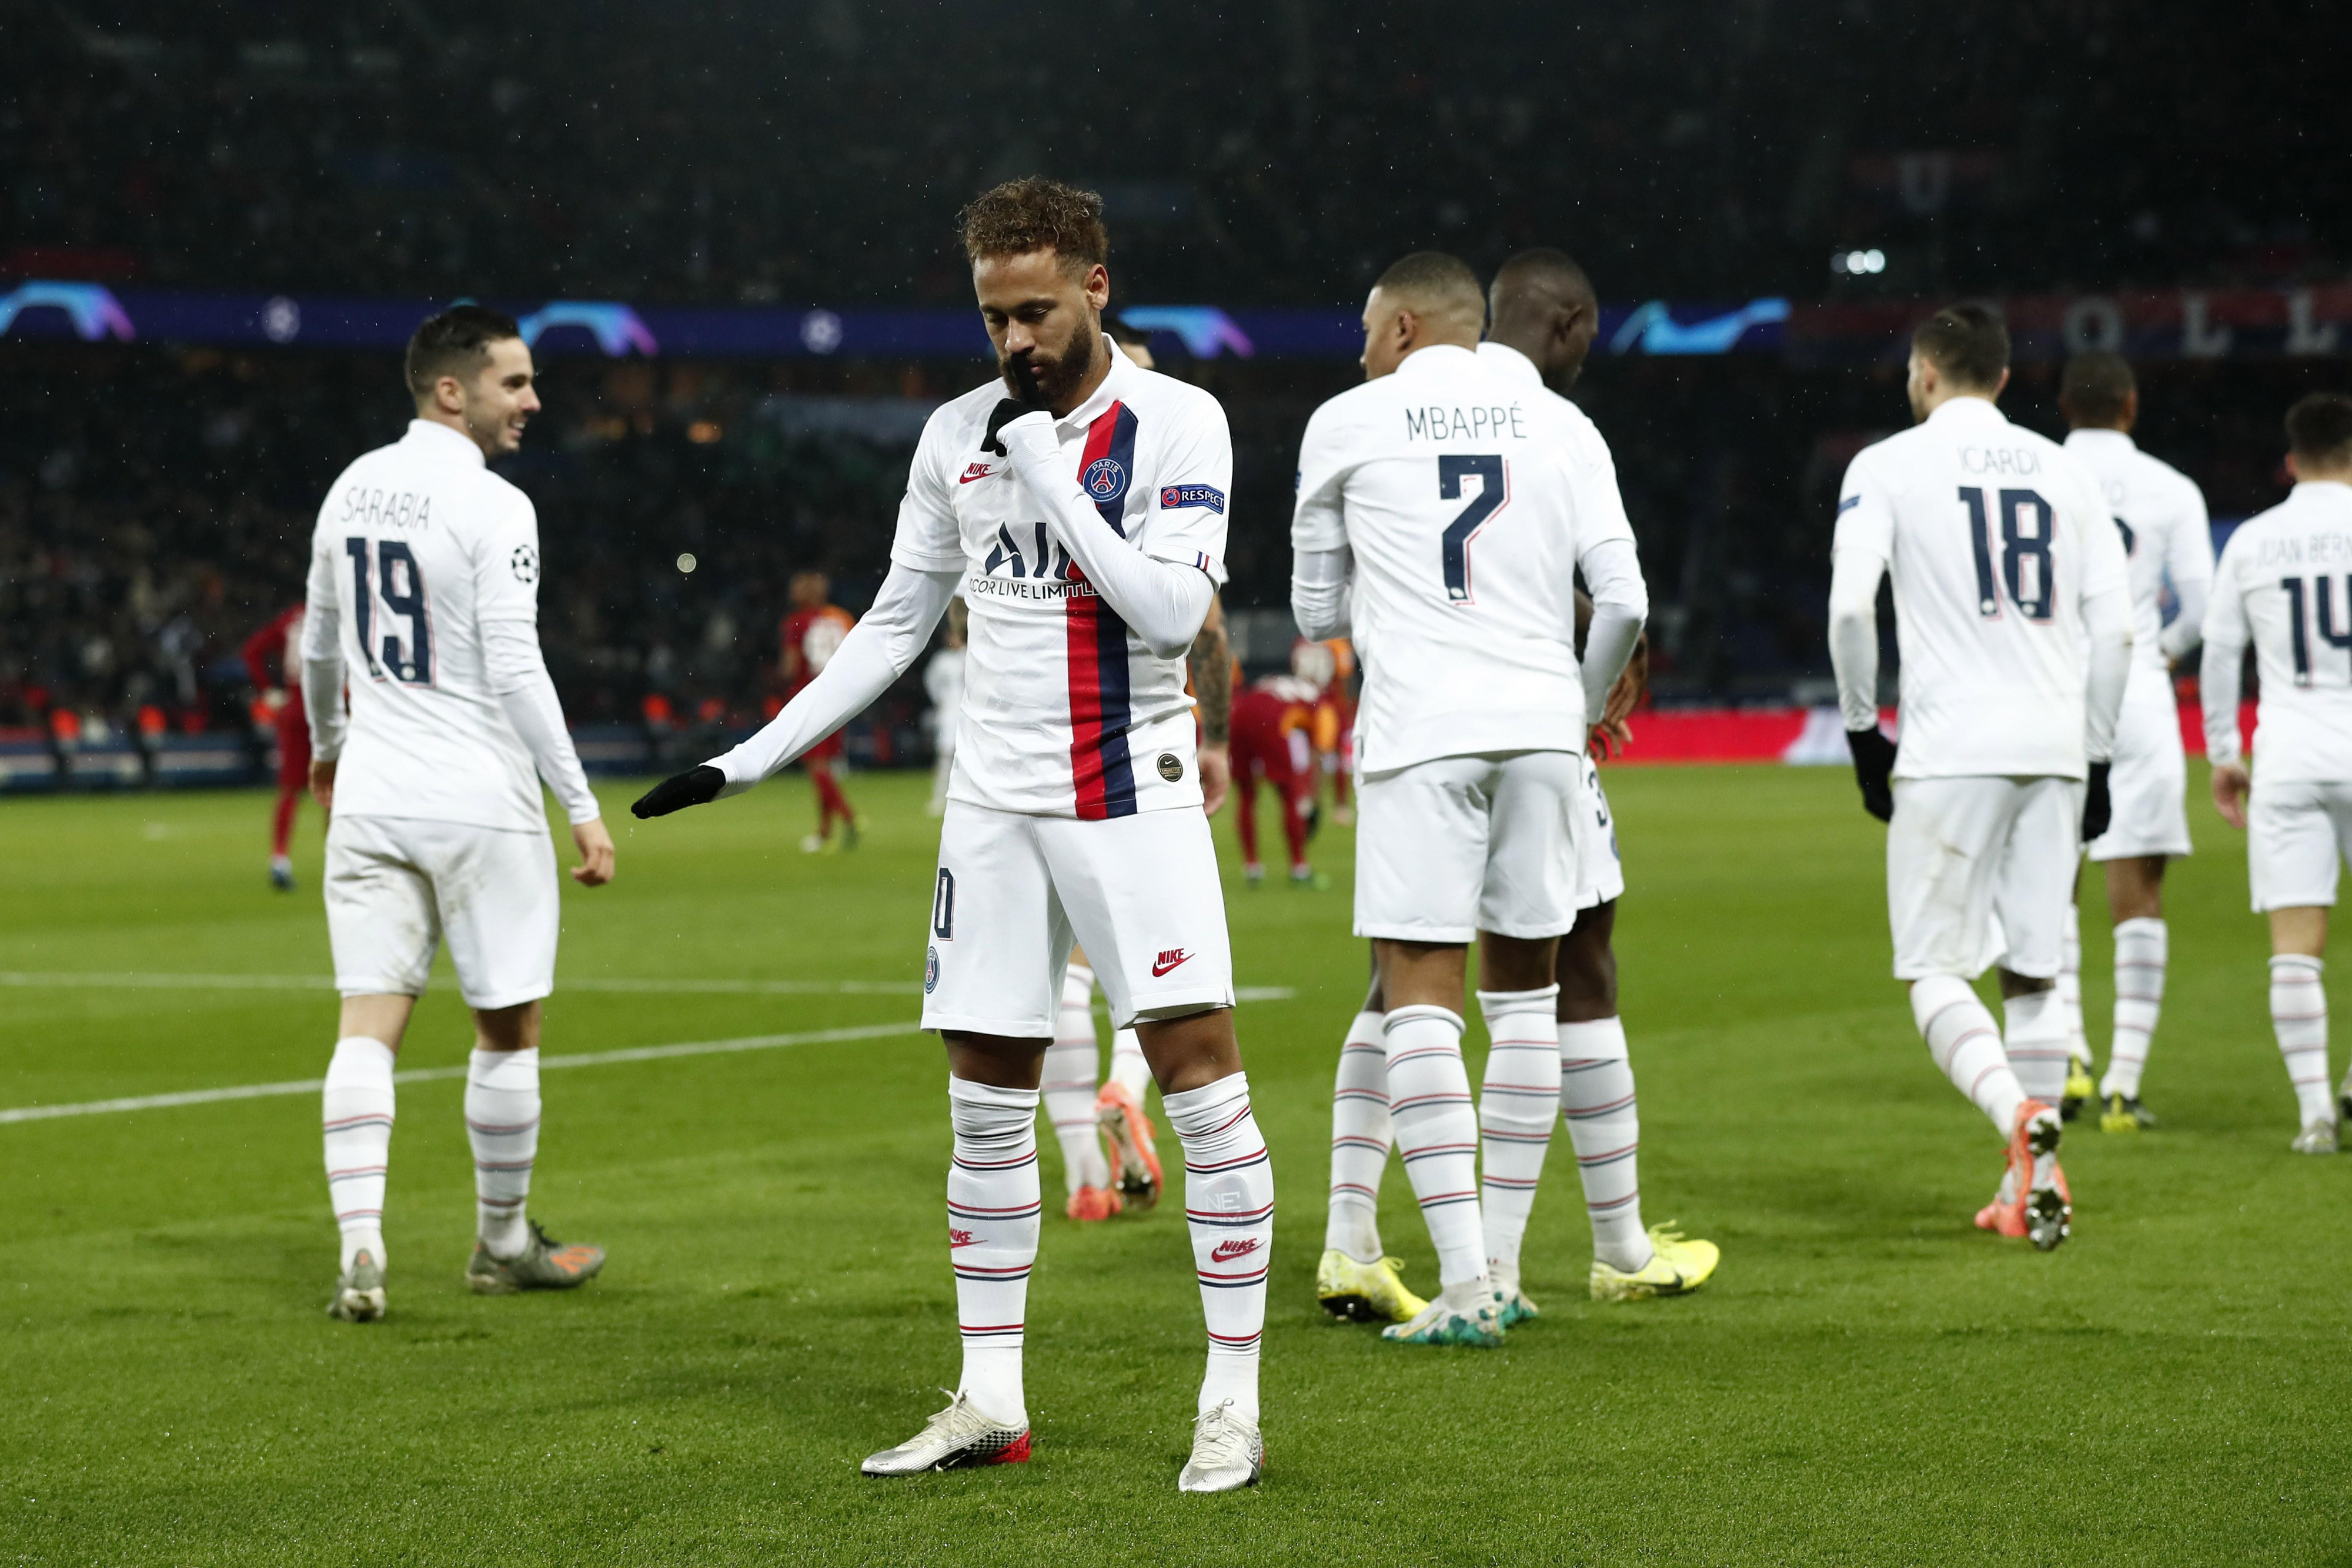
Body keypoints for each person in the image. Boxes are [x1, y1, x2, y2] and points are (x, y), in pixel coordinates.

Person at [630, 179, 1267, 1492]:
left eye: (1033, 311)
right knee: (984, 1104)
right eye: (993, 317)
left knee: (1202, 1081)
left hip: (1126, 793)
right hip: (988, 803)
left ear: (1095, 286)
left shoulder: (1177, 423)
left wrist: (1052, 473)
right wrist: (748, 758)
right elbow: (891, 621)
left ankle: (1230, 1404)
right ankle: (988, 1397)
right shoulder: (953, 435)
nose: (1013, 342)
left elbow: (1165, 617)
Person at [1291, 250, 1646, 1347]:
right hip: (1543, 731)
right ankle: (1505, 1262)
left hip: (1422, 733)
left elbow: (1312, 615)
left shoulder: (1348, 422)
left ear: (1401, 327)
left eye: (1365, 330)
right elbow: (1625, 601)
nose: (1359, 352)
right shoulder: (1561, 425)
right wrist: (1574, 710)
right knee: (1528, 997)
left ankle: (1460, 1287)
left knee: (1420, 992)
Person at [300, 305, 614, 1324]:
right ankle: (502, 1241)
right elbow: (516, 666)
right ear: (452, 389)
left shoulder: (349, 484)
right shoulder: (494, 505)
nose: (531, 401)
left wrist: (327, 750)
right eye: (513, 384)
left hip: (374, 796)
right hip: (477, 799)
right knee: (507, 1027)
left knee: (367, 1021)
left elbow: (317, 649)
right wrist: (579, 801)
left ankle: (361, 1245)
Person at [1826, 302, 2130, 1252]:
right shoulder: (2066, 471)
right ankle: (2032, 1183)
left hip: (1952, 744)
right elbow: (2115, 631)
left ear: (1922, 374)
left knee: (1931, 966)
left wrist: (1862, 730)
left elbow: (1847, 610)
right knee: (2034, 969)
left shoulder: (1885, 465)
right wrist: (2098, 752)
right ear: (2004, 379)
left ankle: (2016, 1116)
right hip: (2051, 745)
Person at [2053, 352, 2214, 1131]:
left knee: (2051, 877)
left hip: (2053, 688)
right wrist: (2161, 650)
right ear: (2131, 403)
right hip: (2139, 693)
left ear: (2063, 405)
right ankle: (2123, 1082)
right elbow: (2203, 608)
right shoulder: (2172, 488)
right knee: (2137, 884)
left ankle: (2072, 1056)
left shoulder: (2039, 470)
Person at [2200, 392, 2352, 1154]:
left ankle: (2315, 1115)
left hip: (2288, 754)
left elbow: (2221, 652)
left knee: (2294, 942)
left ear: (2291, 460)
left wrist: (2226, 751)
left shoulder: (2254, 541)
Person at [780, 570, 861, 852]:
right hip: (840, 696)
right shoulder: (840, 618)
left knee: (816, 766)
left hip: (810, 697)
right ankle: (825, 831)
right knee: (824, 766)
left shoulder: (797, 623)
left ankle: (849, 817)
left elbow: (791, 667)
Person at [1227, 668, 1322, 888]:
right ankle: (1299, 867)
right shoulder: (1318, 702)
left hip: (1240, 711)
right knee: (1289, 793)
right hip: (1270, 717)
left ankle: (1252, 868)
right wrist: (1311, 800)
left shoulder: (1283, 684)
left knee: (1246, 794)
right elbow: (1318, 751)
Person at [242, 601, 310, 890]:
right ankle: (341, 859)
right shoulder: (343, 610)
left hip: (296, 709)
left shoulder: (293, 617)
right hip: (332, 709)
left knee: (290, 790)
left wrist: (269, 691)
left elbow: (252, 651)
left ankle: (280, 858)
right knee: (336, 791)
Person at [924, 597, 967, 817]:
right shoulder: (942, 660)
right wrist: (941, 701)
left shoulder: (971, 655)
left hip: (970, 714)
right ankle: (939, 797)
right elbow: (931, 683)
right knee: (945, 756)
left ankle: (966, 799)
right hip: (949, 713)